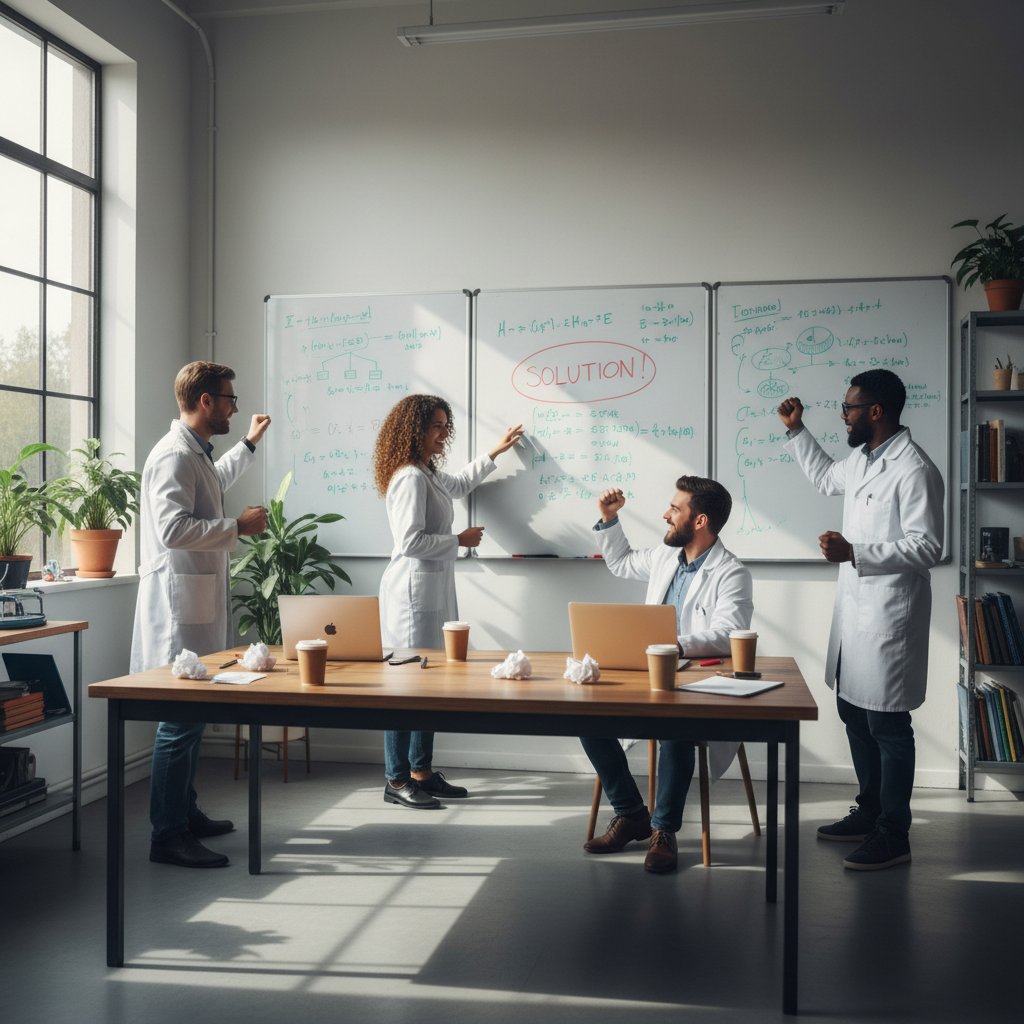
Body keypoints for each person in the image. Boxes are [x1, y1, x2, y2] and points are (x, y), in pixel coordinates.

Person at [777, 369, 943, 871]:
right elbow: (827, 478)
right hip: (856, 612)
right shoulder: (863, 458)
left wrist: (856, 551)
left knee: (888, 725)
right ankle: (869, 811)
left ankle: (895, 833)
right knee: (852, 711)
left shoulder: (913, 468)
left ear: (876, 411)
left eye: (848, 408)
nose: (843, 415)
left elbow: (929, 546)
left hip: (890, 613)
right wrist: (795, 430)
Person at [131, 361, 271, 868]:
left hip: (196, 601)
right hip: (177, 608)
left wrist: (250, 444)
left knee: (190, 719)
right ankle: (167, 835)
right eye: (230, 398)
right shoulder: (173, 456)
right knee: (179, 721)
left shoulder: (195, 455)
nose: (235, 406)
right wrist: (238, 526)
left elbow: (215, 479)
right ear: (206, 401)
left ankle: (184, 814)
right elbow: (173, 529)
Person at [580, 476, 754, 873]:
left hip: (699, 685)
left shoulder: (732, 573)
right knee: (588, 719)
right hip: (650, 677)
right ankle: (631, 813)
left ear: (699, 521)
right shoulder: (664, 556)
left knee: (676, 727)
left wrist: (673, 645)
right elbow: (622, 563)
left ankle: (663, 831)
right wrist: (609, 518)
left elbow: (729, 634)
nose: (665, 514)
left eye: (675, 509)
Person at [373, 395, 523, 809]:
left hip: (431, 590)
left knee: (429, 683)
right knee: (405, 687)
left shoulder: (427, 473)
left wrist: (495, 451)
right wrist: (458, 541)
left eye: (445, 426)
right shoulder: (409, 478)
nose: (444, 434)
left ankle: (420, 771)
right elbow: (410, 542)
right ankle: (396, 778)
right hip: (411, 594)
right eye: (436, 426)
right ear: (414, 430)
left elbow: (457, 485)